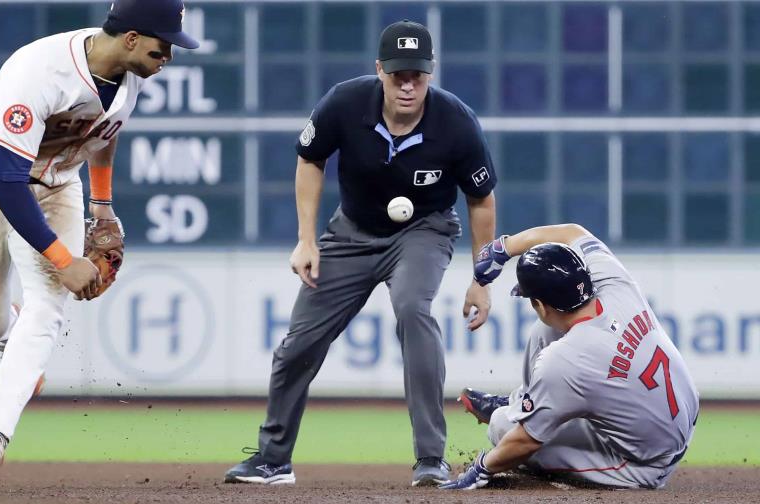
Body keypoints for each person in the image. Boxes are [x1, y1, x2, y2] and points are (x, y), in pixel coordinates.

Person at [224, 20, 498, 487]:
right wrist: (306, 240)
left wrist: (482, 277)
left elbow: (481, 200)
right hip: (350, 233)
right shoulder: (345, 103)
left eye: (417, 73)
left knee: (414, 309)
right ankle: (272, 459)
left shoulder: (455, 123)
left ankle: (431, 458)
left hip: (424, 231)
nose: (408, 84)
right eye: (397, 74)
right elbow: (309, 160)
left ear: (430, 73)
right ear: (379, 71)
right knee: (300, 343)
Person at [0, 0, 199, 474]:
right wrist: (64, 259)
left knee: (49, 304)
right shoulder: (40, 70)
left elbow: (105, 134)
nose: (167, 57)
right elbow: (6, 180)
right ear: (131, 39)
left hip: (60, 180)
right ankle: (9, 331)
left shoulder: (128, 78)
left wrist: (101, 207)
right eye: (161, 47)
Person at [440, 224, 699, 490]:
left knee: (501, 428)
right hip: (681, 414)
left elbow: (525, 443)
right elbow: (573, 232)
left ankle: (529, 411)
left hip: (644, 463)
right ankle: (529, 404)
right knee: (547, 330)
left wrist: (480, 468)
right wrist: (504, 247)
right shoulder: (612, 280)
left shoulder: (565, 360)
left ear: (539, 304)